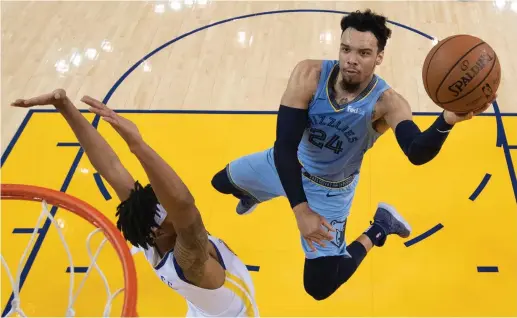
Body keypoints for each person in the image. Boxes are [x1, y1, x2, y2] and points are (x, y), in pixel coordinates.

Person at [210, 9, 494, 300]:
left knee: (319, 287)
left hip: (329, 194)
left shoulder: (387, 103)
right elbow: (284, 146)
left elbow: (416, 151)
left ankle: (381, 227)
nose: (351, 59)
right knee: (219, 183)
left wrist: (446, 120)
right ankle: (256, 192)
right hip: (286, 164)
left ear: (379, 57)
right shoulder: (309, 74)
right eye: (346, 49)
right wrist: (300, 211)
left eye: (363, 52)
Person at [11, 89, 259, 317]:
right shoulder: (189, 260)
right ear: (159, 229)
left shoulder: (150, 232)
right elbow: (184, 206)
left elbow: (110, 167)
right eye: (167, 209)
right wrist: (137, 144)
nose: (168, 201)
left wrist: (64, 106)